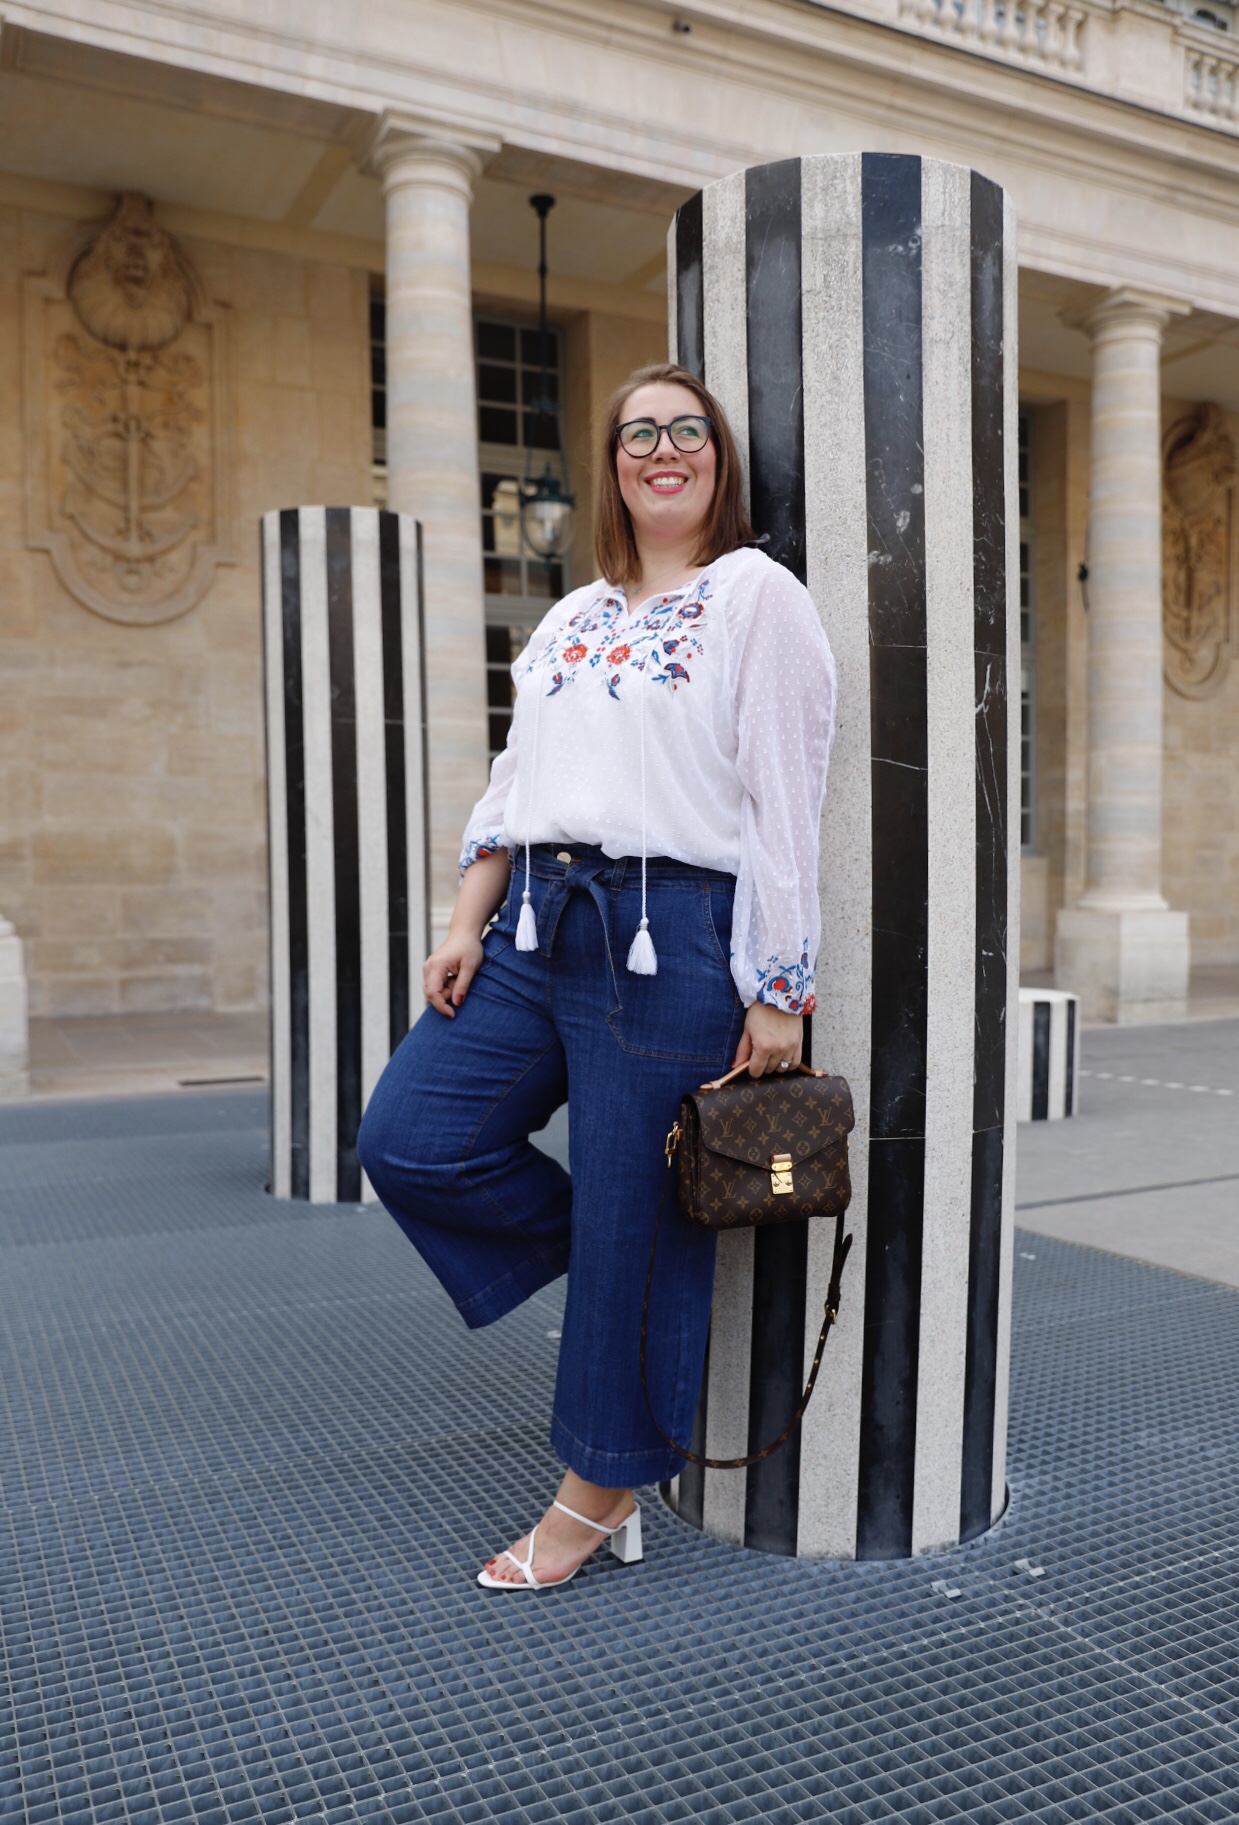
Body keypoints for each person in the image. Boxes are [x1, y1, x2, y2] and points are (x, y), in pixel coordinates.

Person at [358, 363, 836, 1590]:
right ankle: (627, 1261)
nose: (663, 450)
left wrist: (777, 986)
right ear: (612, 463)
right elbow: (514, 787)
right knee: (413, 1135)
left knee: (639, 1226)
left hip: (671, 933)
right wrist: (465, 920)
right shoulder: (569, 616)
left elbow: (787, 796)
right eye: (639, 434)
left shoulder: (755, 596)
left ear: (718, 459)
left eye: (688, 431)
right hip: (533, 925)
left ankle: (597, 1494)